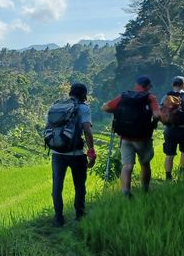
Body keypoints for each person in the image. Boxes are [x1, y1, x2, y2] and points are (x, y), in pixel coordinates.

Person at [102, 75, 162, 196]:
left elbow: (104, 107)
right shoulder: (151, 97)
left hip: (125, 137)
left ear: (137, 85)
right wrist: (153, 124)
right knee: (145, 164)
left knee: (127, 165)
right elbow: (157, 115)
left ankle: (125, 192)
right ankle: (145, 189)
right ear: (148, 87)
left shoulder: (124, 97)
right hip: (143, 138)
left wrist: (118, 112)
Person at [50, 83, 96, 227]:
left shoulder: (56, 106)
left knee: (57, 186)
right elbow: (87, 131)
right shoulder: (83, 108)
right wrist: (91, 151)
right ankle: (80, 214)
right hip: (76, 154)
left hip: (57, 153)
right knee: (79, 185)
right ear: (84, 95)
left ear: (70, 93)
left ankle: (58, 218)